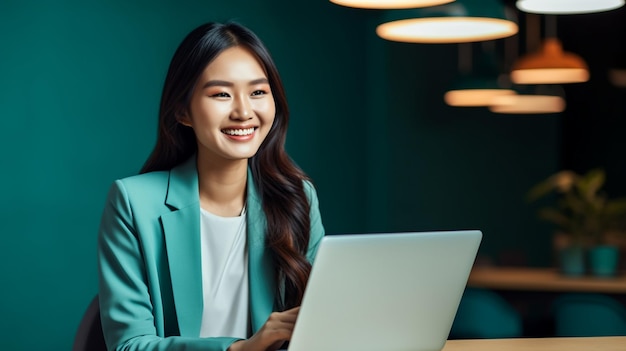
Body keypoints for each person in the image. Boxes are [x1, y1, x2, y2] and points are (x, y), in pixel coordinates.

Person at [97, 21, 325, 351]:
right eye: (221, 94)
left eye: (258, 92)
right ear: (182, 111)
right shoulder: (133, 203)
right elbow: (129, 345)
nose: (244, 111)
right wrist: (240, 348)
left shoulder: (297, 197)